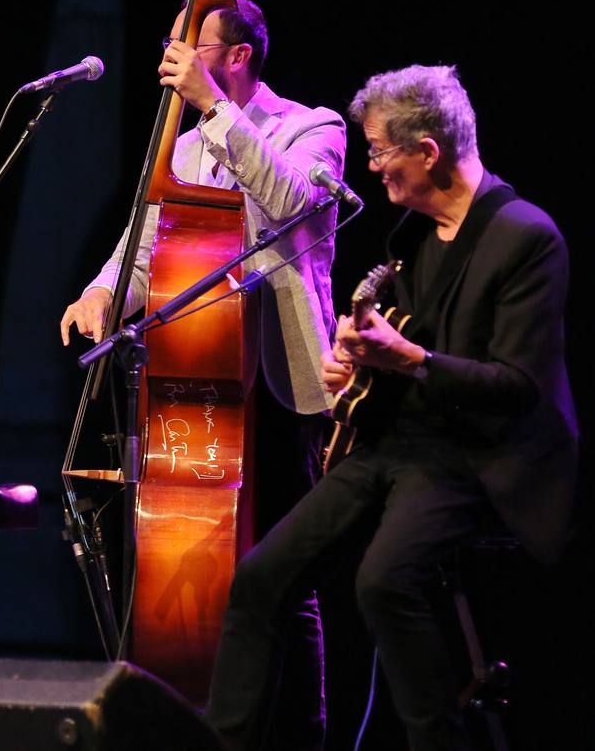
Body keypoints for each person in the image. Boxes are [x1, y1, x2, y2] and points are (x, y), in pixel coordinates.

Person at [205, 65, 577, 750]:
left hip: (475, 458)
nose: (372, 167)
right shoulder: (410, 236)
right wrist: (353, 364)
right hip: (391, 447)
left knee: (384, 581)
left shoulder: (526, 239)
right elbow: (395, 348)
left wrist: (405, 360)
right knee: (261, 578)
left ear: (428, 152)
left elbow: (518, 386)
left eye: (379, 151)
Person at [61, 0, 345, 749]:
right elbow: (147, 237)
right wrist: (100, 292)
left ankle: (299, 737)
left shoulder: (312, 127)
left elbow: (290, 204)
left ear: (239, 54)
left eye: (192, 42)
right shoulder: (185, 148)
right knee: (201, 574)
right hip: (201, 383)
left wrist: (216, 109)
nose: (173, 55)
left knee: (285, 581)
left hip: (281, 389)